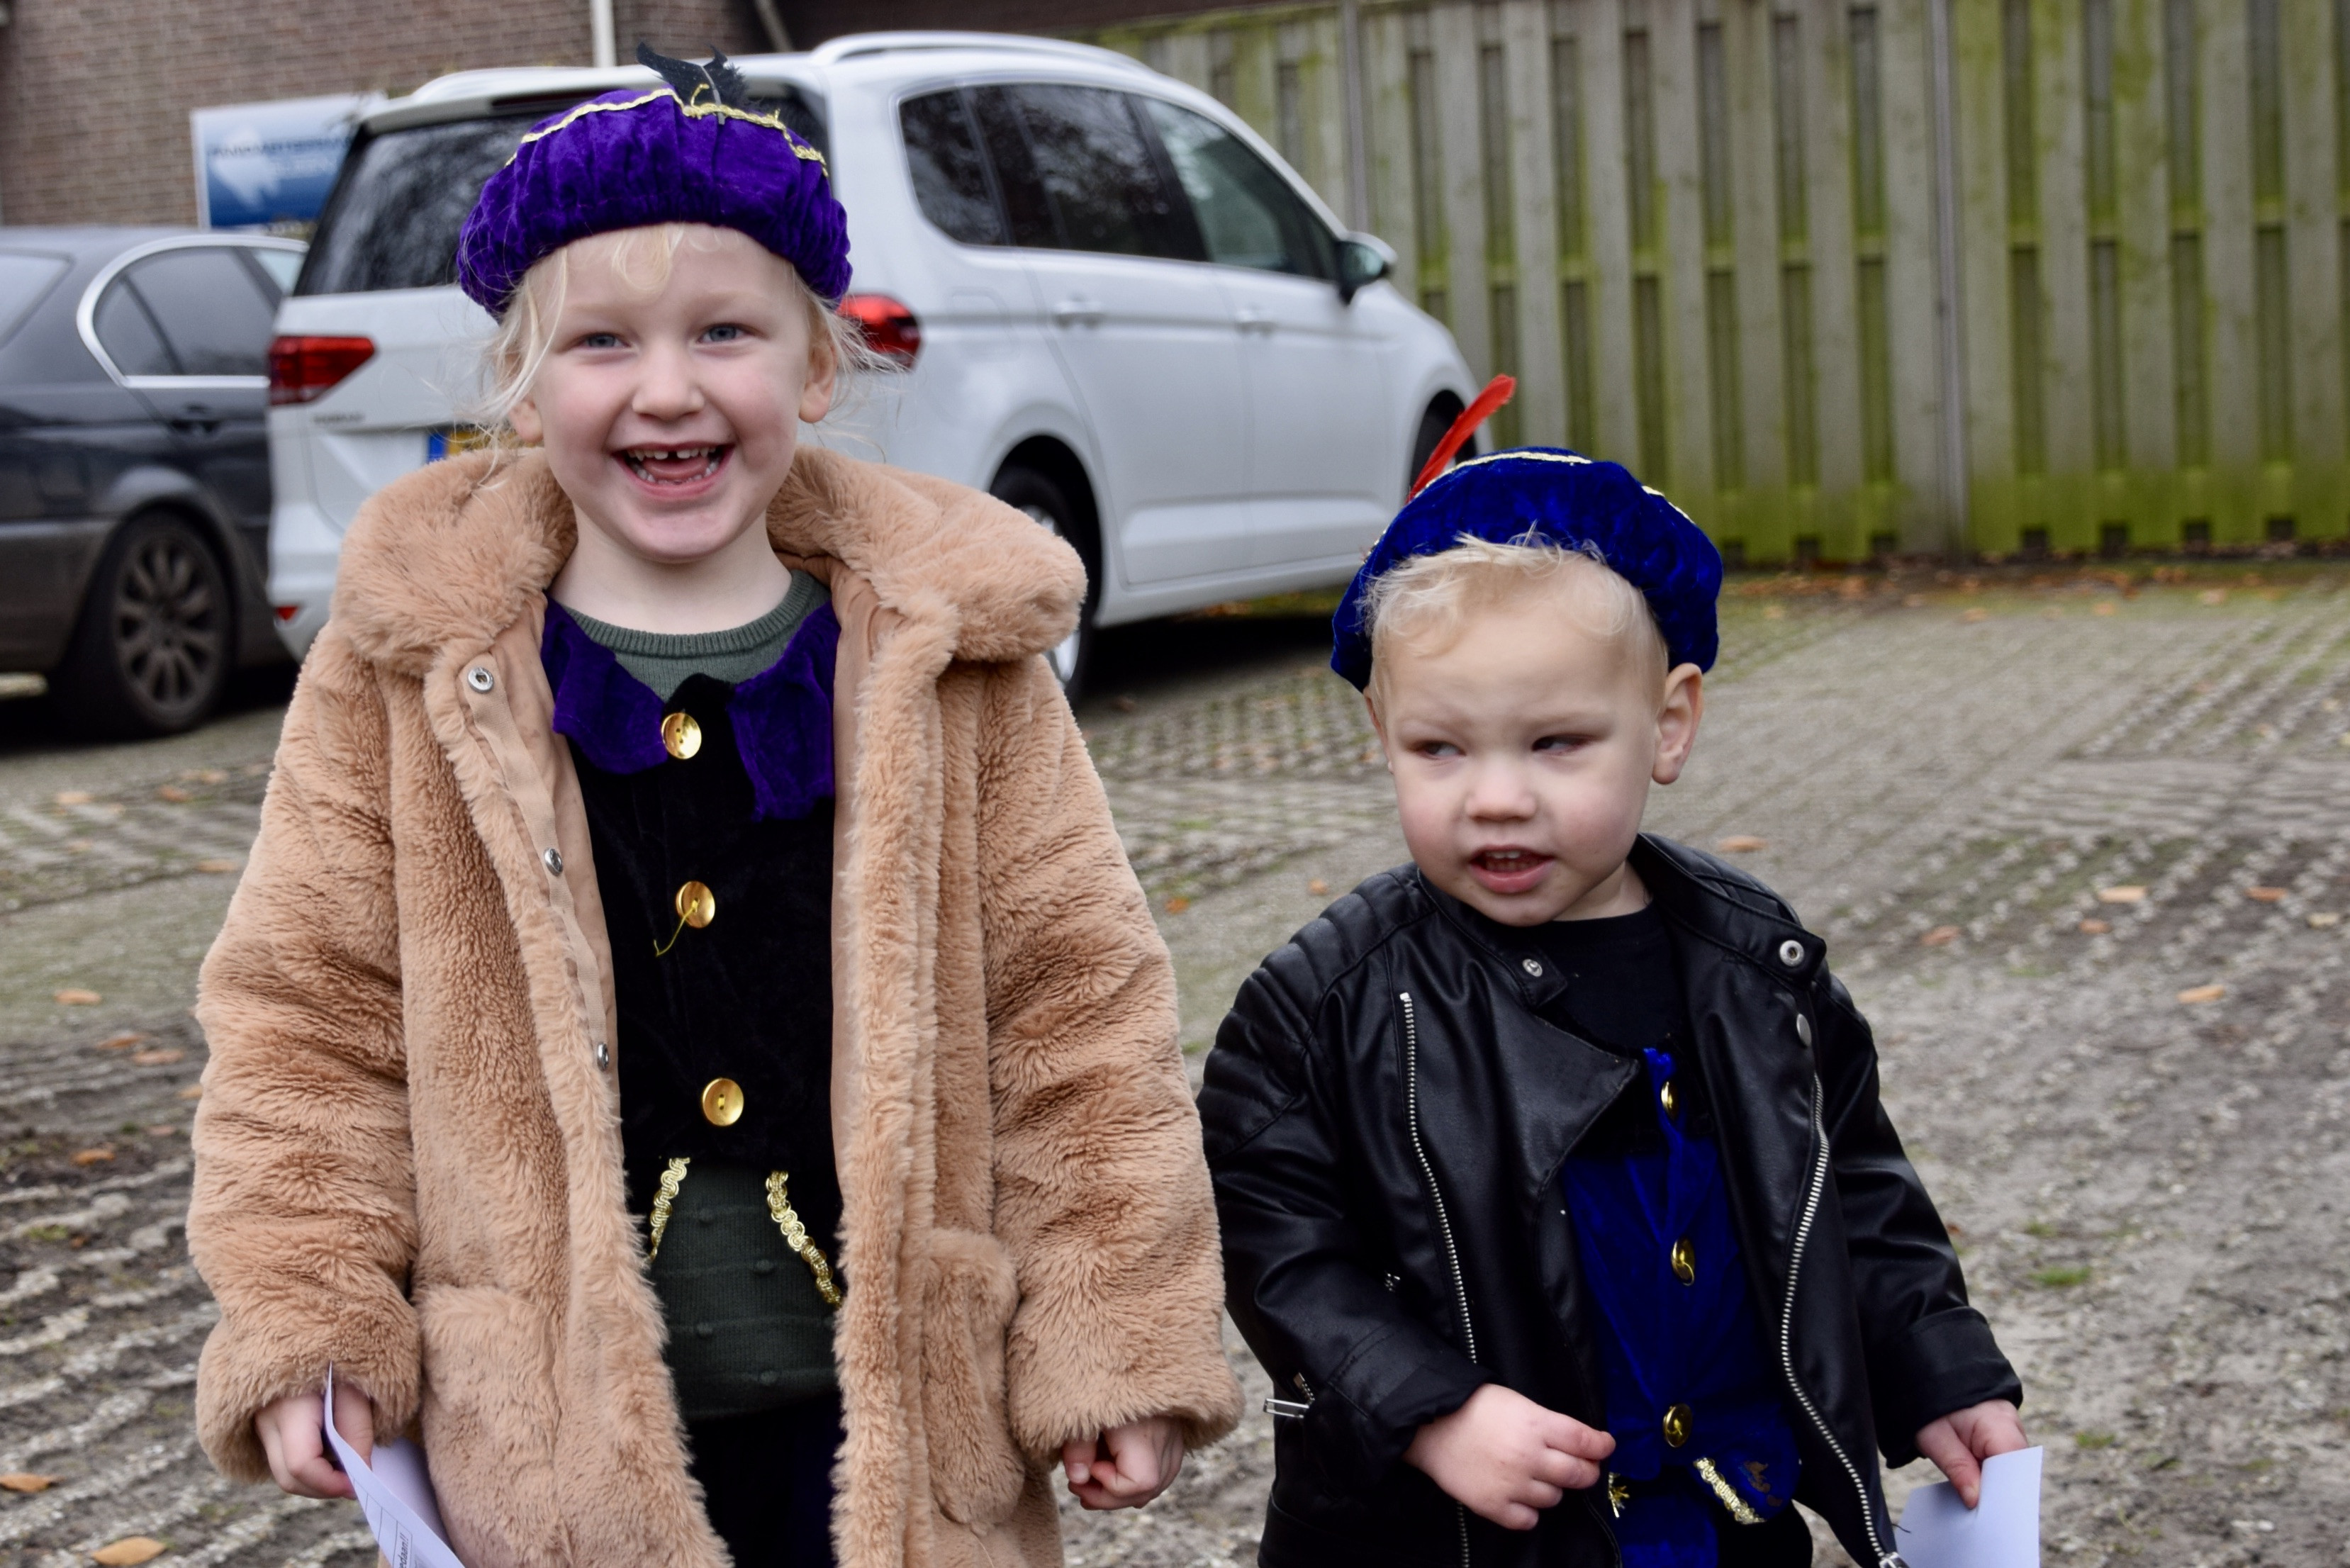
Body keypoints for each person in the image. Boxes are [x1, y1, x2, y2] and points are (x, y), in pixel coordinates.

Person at [187, 50, 1238, 1568]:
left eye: (725, 332)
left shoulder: (954, 666)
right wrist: (310, 1313)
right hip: (547, 1460)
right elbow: (307, 1023)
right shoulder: (403, 679)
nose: (667, 388)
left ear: (815, 371)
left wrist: (1113, 1335)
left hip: (901, 1448)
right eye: (601, 341)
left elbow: (1077, 1013)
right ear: (521, 388)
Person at [1199, 444, 2025, 1567]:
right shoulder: (1326, 1001)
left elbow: (1853, 1190)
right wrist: (1431, 1408)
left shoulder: (1755, 965)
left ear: (1669, 725)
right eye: (1439, 749)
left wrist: (1940, 1369)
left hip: (1725, 1520)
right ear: (1381, 736)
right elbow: (1273, 1243)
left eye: (1557, 744)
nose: (1497, 797)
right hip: (1461, 1537)